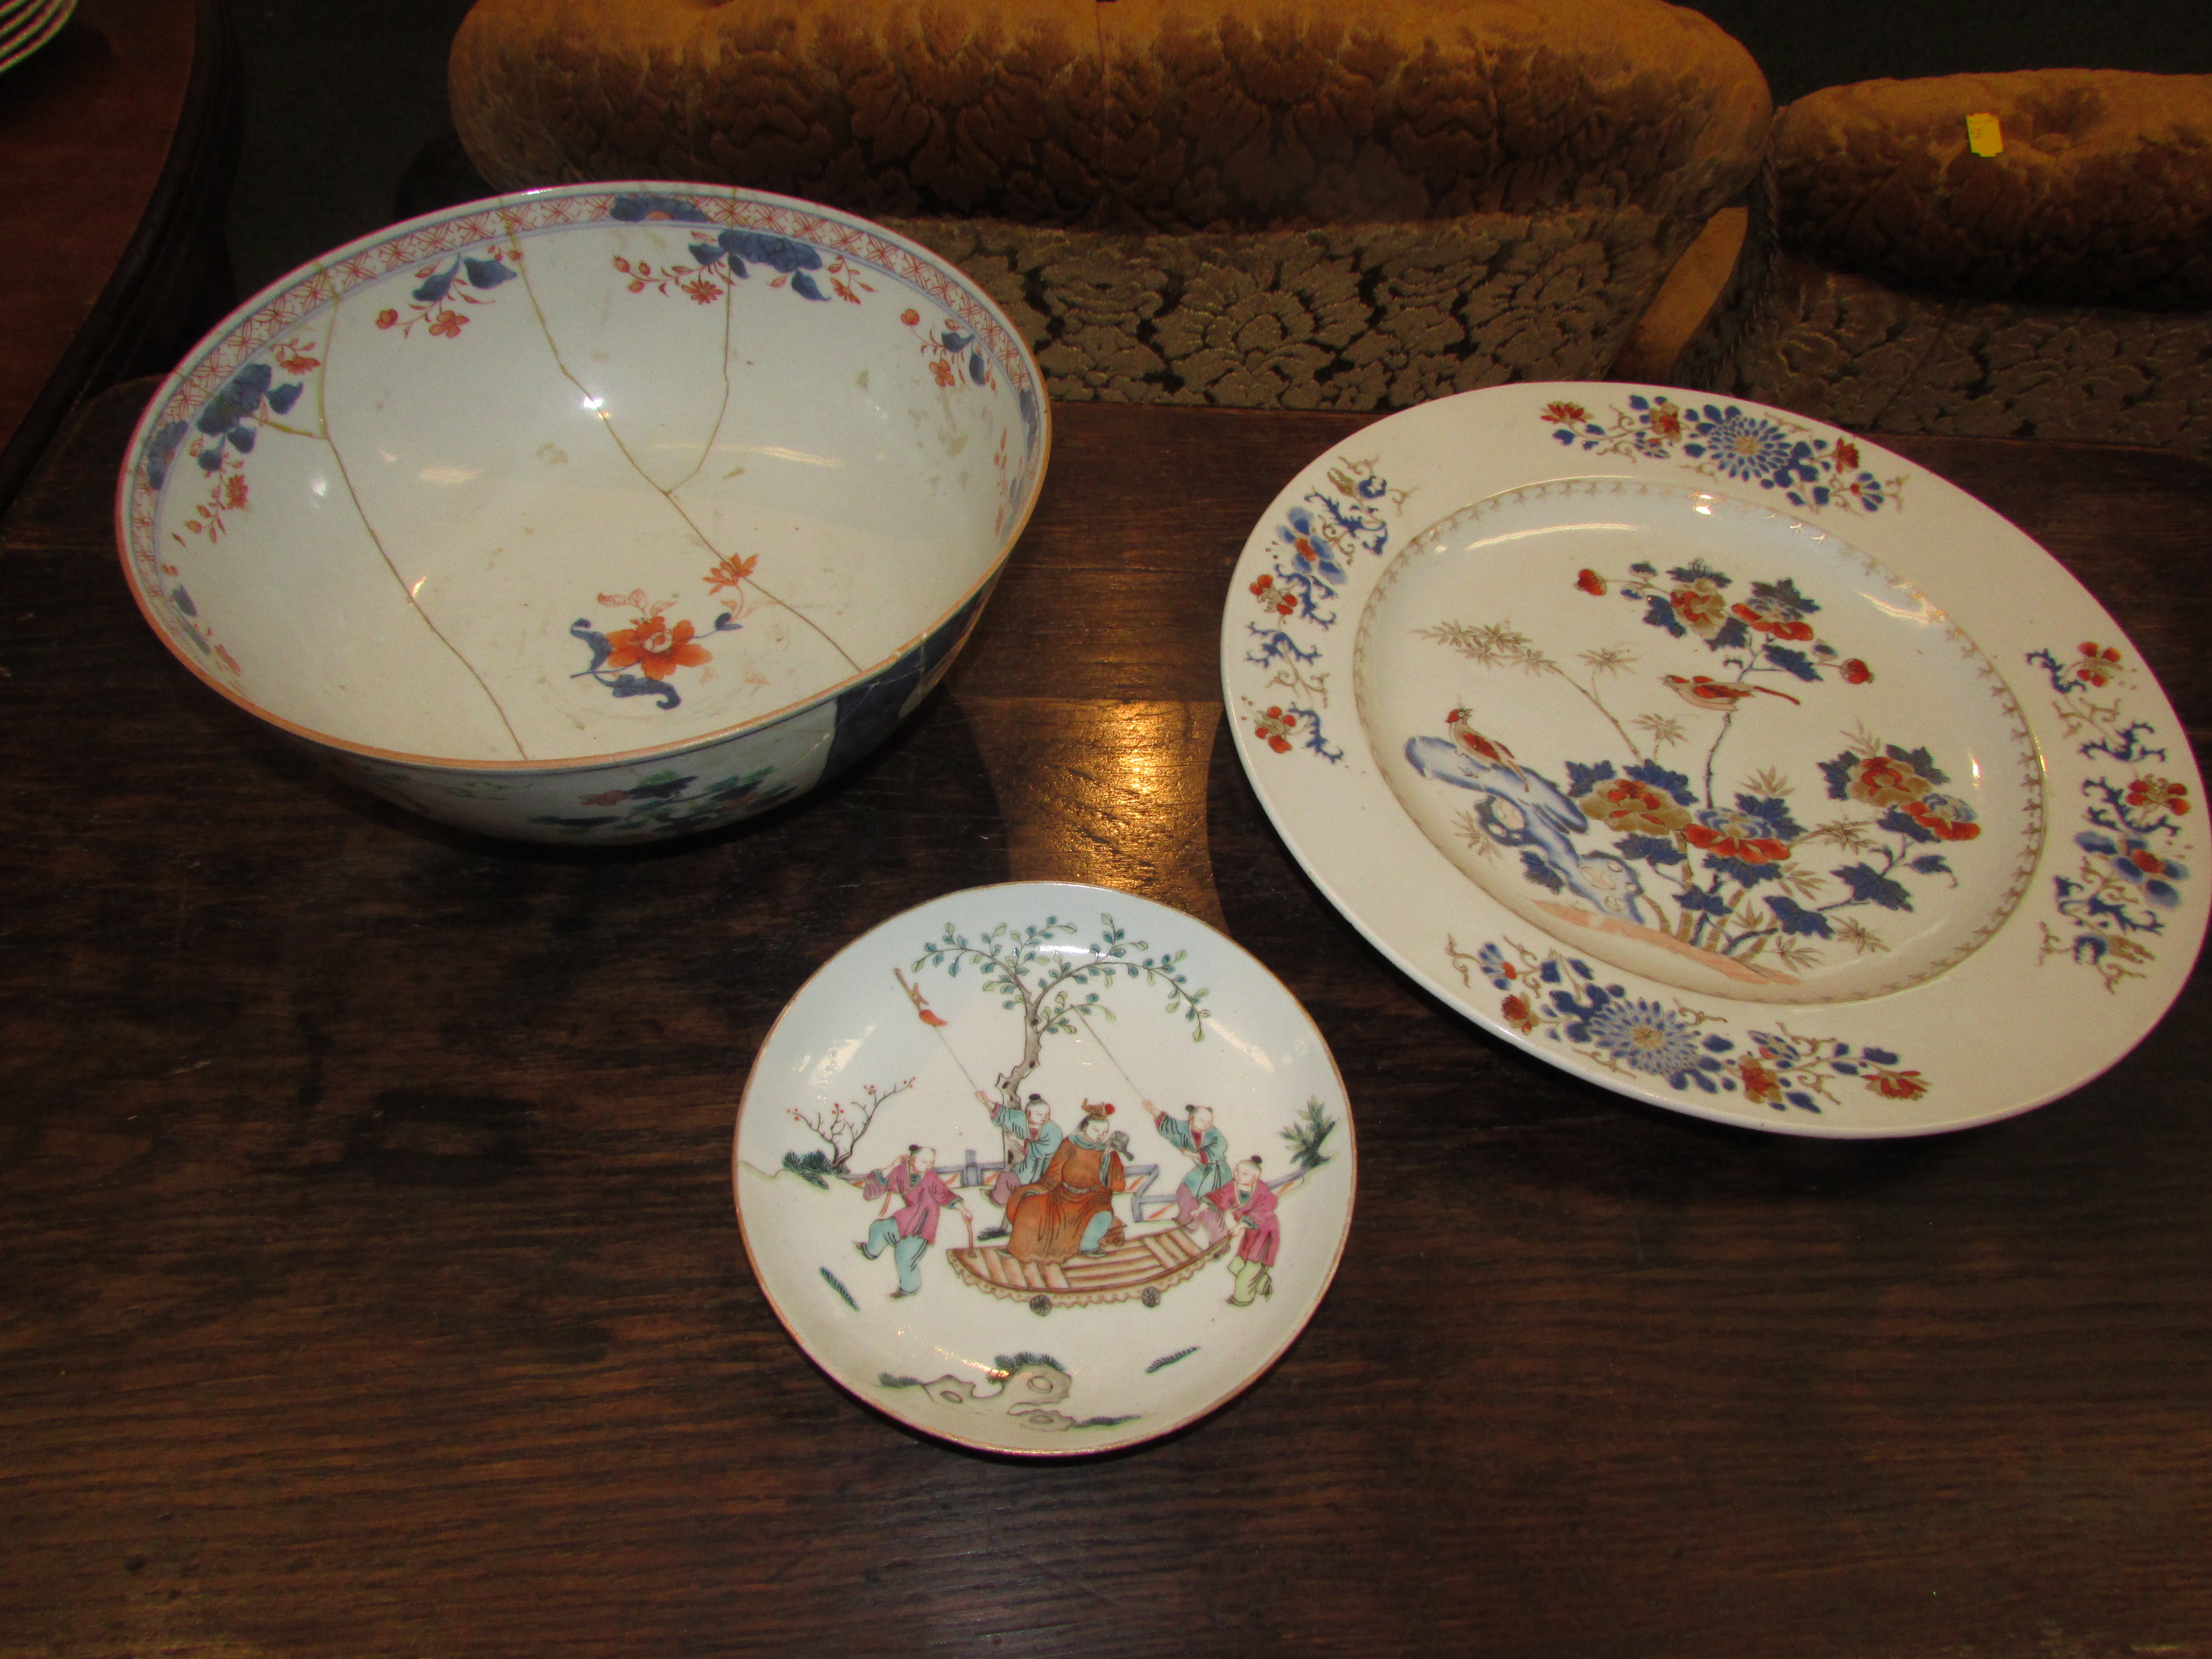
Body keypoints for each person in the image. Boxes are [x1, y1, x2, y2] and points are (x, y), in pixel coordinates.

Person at [1005, 1103, 1128, 1265]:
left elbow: (1118, 1185)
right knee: (1030, 1205)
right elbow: (1055, 1172)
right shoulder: (1070, 1144)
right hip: (1063, 1194)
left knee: (1103, 1216)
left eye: (1104, 1132)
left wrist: (1108, 1161)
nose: (1100, 1135)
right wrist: (1041, 1188)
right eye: (1096, 1130)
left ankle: (1088, 1247)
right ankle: (1021, 1247)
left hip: (1094, 1198)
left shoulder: (1108, 1152)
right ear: (1085, 1128)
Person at [856, 1145, 962, 1298]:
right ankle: (870, 1251)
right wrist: (892, 1165)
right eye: (924, 1162)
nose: (928, 1166)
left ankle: (909, 1288)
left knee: (904, 1255)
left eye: (931, 1163)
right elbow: (878, 1187)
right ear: (912, 1159)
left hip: (923, 1224)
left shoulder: (930, 1178)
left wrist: (961, 1208)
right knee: (880, 1228)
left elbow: (944, 1194)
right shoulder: (900, 1171)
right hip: (906, 1217)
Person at [1149, 1101, 1231, 1244]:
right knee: (1185, 1189)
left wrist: (1195, 1155)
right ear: (1192, 1119)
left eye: (1209, 1121)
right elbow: (1171, 1125)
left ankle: (1220, 1240)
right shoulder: (1183, 1127)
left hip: (1217, 1171)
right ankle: (1188, 1222)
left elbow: (1219, 1149)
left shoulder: (1214, 1133)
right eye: (1202, 1120)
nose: (1206, 1124)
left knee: (1210, 1202)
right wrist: (1153, 1111)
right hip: (1202, 1171)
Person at [1208, 1156, 1280, 1307]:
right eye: (1238, 1172)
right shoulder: (1232, 1187)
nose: (1239, 1176)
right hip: (1250, 1235)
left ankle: (1242, 1299)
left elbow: (1265, 1209)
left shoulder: (1262, 1192)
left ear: (1255, 1178)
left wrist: (1241, 1225)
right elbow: (1220, 1196)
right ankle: (1263, 1284)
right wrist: (1203, 1206)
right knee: (1235, 1267)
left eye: (1245, 1174)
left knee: (1247, 1274)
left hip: (1265, 1234)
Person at [981, 1090, 1063, 1211]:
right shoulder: (1020, 1119)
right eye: (1039, 1114)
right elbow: (1004, 1114)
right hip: (1028, 1167)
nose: (1044, 1117)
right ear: (1028, 1114)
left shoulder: (1052, 1130)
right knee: (1005, 1178)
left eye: (1047, 1114)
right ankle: (1000, 1201)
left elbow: (1051, 1149)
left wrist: (1020, 1142)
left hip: (1047, 1167)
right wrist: (985, 1101)